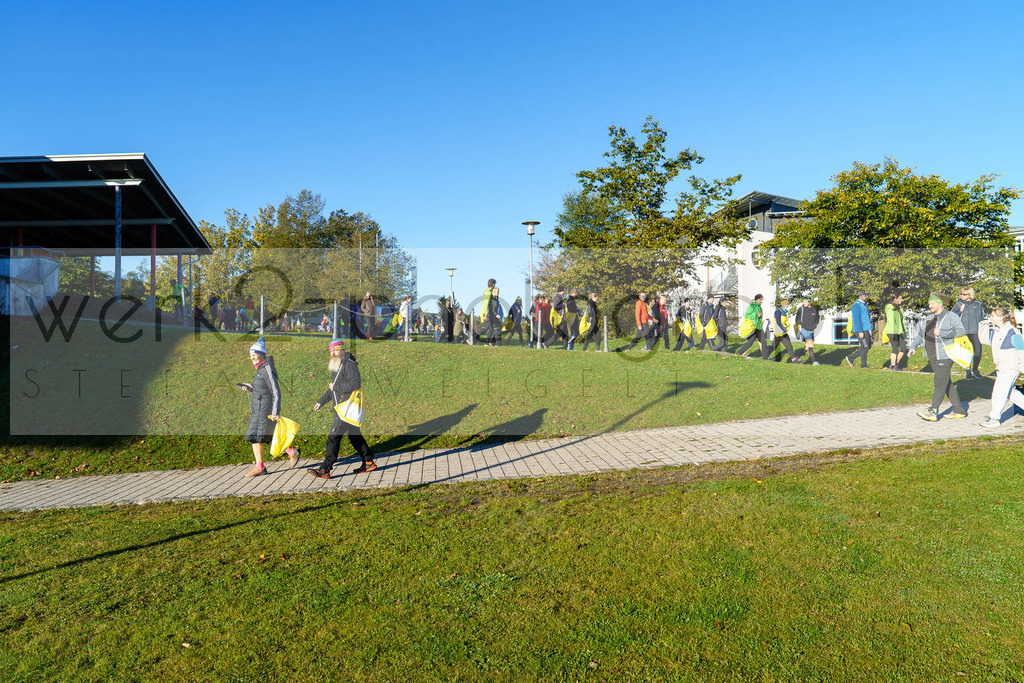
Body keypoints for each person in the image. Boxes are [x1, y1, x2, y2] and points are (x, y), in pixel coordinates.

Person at [308, 339, 377, 478]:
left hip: (346, 408)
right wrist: (321, 401)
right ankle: (368, 461)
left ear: (342, 350)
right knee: (355, 437)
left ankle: (325, 469)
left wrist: (337, 388)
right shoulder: (337, 365)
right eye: (331, 351)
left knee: (333, 437)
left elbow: (355, 383)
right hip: (342, 407)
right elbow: (332, 389)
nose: (333, 353)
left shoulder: (349, 365)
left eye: (335, 350)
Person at [236, 337, 299, 476]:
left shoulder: (267, 368)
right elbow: (263, 389)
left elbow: (275, 391)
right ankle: (290, 451)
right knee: (264, 437)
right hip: (258, 409)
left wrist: (276, 411)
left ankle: (260, 467)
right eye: (250, 354)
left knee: (255, 437)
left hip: (264, 410)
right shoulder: (261, 369)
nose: (251, 356)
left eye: (254, 353)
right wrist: (251, 388)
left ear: (262, 354)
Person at [909, 293, 969, 421]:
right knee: (945, 382)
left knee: (939, 382)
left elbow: (961, 331)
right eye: (929, 303)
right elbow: (921, 335)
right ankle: (959, 409)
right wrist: (913, 347)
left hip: (945, 355)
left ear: (939, 304)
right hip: (932, 355)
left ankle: (933, 411)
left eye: (932, 303)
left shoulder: (951, 316)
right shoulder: (929, 318)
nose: (930, 306)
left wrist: (943, 333)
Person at [978, 308, 1024, 428]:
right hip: (1002, 367)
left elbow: (1021, 350)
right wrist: (982, 326)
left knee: (999, 392)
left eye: (993, 316)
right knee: (1011, 393)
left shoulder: (1012, 332)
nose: (991, 318)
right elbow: (984, 340)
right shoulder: (996, 331)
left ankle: (994, 418)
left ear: (1001, 318)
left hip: (1011, 367)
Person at [951, 287, 985, 379]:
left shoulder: (977, 304)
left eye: (964, 294)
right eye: (961, 294)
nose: (961, 296)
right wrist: (959, 311)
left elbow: (982, 316)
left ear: (970, 294)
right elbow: (952, 317)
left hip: (975, 331)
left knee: (978, 351)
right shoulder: (958, 304)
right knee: (966, 352)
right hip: (963, 332)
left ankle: (975, 369)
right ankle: (968, 371)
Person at [844, 291, 872, 368]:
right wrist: (860, 331)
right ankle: (863, 364)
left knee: (868, 346)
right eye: (865, 295)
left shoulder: (865, 305)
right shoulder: (856, 306)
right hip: (859, 329)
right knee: (865, 346)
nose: (867, 297)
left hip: (865, 329)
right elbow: (856, 319)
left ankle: (851, 357)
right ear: (860, 296)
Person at [884, 294, 909, 371]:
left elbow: (901, 321)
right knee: (895, 348)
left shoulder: (899, 308)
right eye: (900, 298)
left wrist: (904, 330)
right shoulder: (890, 308)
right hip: (892, 331)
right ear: (895, 299)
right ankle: (893, 366)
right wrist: (896, 331)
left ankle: (895, 364)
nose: (902, 300)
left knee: (903, 348)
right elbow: (891, 321)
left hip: (899, 331)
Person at [792, 299, 820, 365]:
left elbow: (817, 318)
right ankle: (814, 362)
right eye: (803, 302)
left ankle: (797, 358)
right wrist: (803, 324)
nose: (804, 303)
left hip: (811, 329)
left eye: (805, 302)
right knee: (811, 344)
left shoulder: (814, 309)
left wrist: (815, 325)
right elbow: (797, 320)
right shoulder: (801, 309)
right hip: (804, 329)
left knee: (807, 347)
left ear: (809, 302)